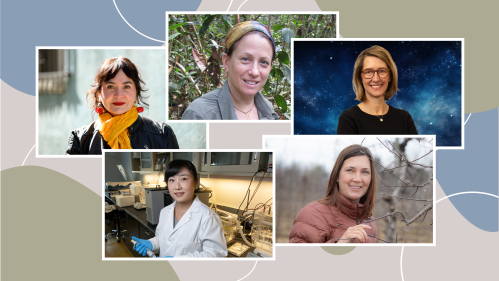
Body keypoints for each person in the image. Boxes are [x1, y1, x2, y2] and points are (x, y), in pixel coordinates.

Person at [66, 57, 179, 154]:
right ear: (99, 94)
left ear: (136, 94)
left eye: (126, 87)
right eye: (110, 87)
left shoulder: (162, 134)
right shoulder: (80, 139)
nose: (119, 95)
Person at [181, 21, 279, 120]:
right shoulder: (199, 115)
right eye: (245, 59)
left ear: (270, 68)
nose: (254, 72)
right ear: (226, 62)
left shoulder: (269, 111)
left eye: (263, 62)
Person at [132, 160, 227, 257]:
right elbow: (163, 238)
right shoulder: (165, 212)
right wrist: (152, 244)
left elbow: (216, 255)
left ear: (195, 183)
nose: (177, 187)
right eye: (172, 180)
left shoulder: (208, 217)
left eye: (184, 179)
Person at [289, 144, 379, 243]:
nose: (357, 179)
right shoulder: (311, 215)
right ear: (336, 176)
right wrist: (338, 247)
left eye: (365, 172)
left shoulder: (370, 222)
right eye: (350, 170)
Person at [337, 45, 418, 134]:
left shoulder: (404, 118)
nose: (375, 79)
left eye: (382, 71)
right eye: (368, 72)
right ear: (360, 78)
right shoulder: (348, 118)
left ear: (390, 76)